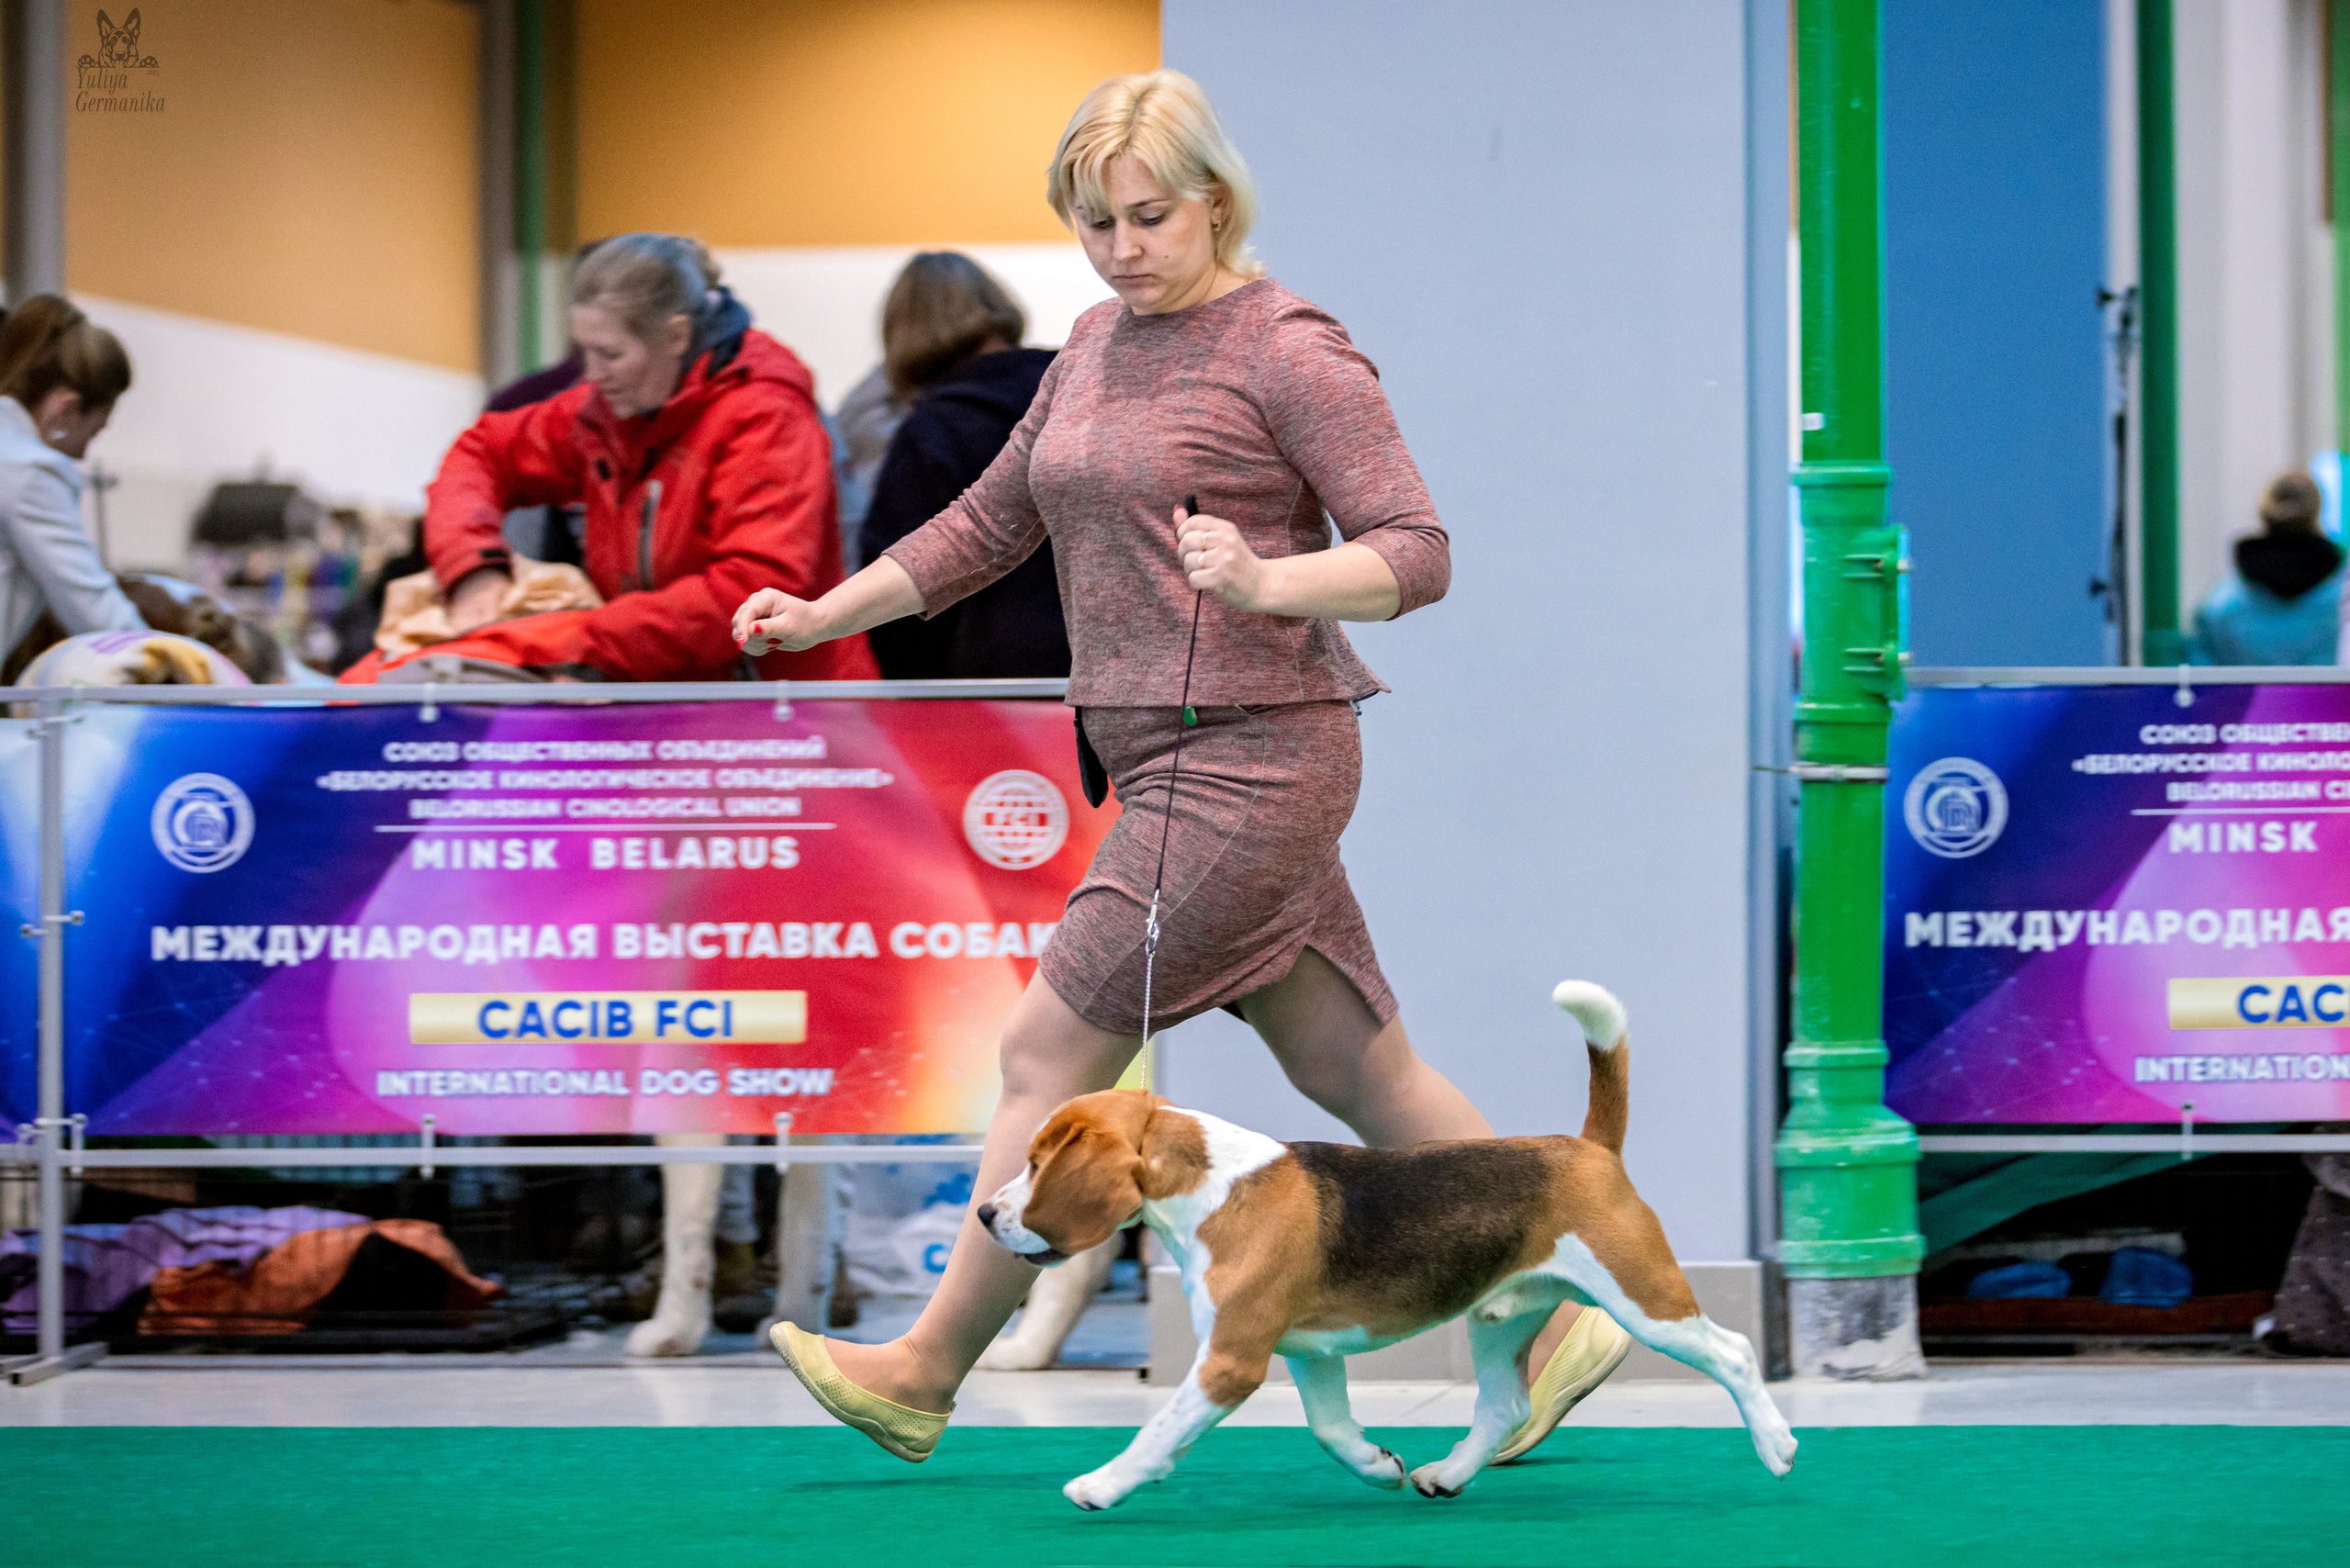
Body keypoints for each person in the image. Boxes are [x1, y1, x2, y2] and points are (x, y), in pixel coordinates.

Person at [734, 69, 1627, 1463]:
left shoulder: (1289, 348)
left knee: (1043, 1052)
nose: (1120, 248)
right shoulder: (1089, 344)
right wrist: (819, 616)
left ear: (1216, 199)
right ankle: (1555, 1310)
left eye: (1147, 217)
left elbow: (1418, 550)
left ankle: (922, 1371)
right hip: (1160, 764)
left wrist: (1274, 583)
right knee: (1367, 1074)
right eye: (1092, 222)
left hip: (1254, 763)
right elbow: (984, 525)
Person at [421, 233, 876, 681]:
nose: (593, 375)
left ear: (676, 336)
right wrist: (472, 568)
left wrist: (579, 642)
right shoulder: (611, 412)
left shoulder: (765, 418)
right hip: (665, 694)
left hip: (782, 709)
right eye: (585, 352)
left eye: (611, 354)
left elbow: (752, 592)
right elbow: (482, 452)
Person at [859, 252, 1066, 678]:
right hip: (1113, 673)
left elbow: (896, 594)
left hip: (991, 691)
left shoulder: (931, 433)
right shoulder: (1078, 389)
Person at [0, 296, 144, 667]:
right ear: (65, 408)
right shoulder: (29, 469)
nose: (83, 454)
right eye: (94, 431)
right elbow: (96, 612)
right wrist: (192, 669)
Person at [2186, 471, 2341, 666]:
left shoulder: (2219, 606)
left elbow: (2203, 681)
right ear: (2317, 511)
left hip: (2244, 699)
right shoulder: (2342, 600)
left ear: (2264, 513)